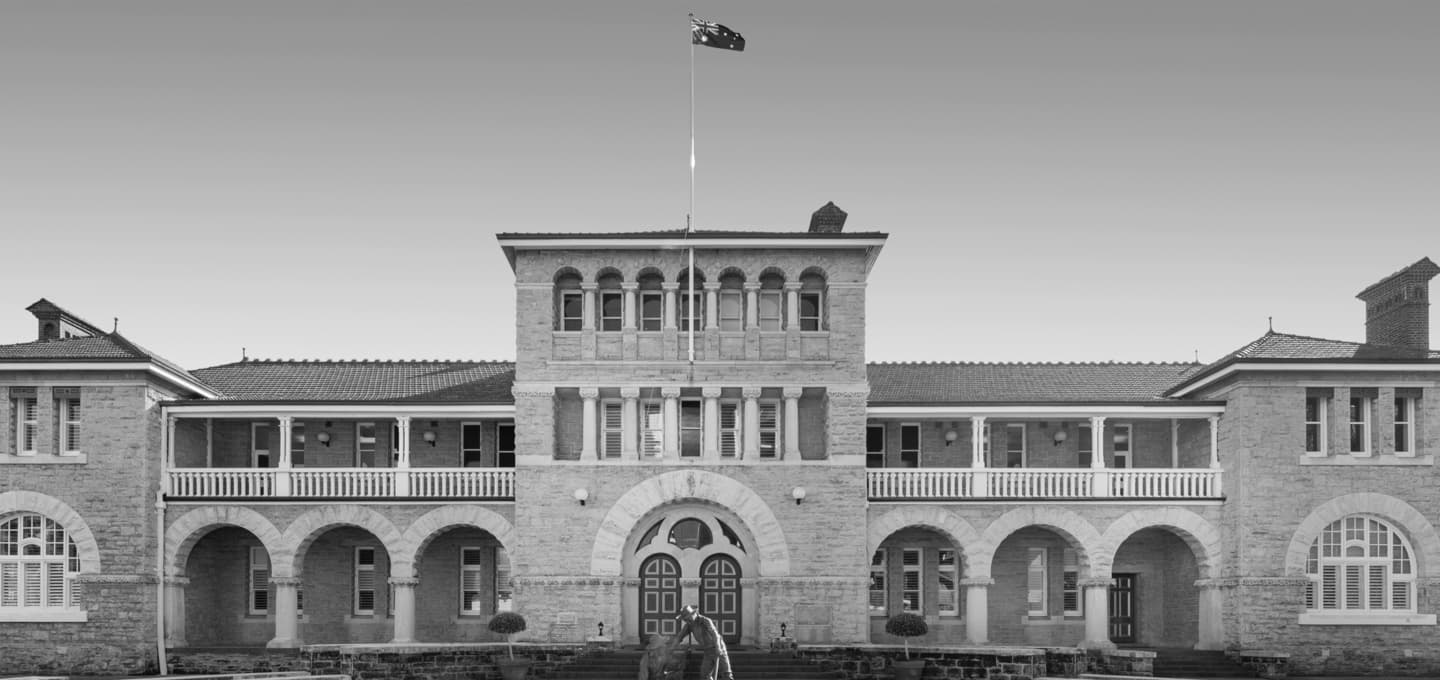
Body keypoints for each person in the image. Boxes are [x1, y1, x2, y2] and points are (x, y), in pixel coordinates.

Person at [671, 604, 733, 680]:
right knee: (704, 675)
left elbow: (715, 634)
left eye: (687, 618)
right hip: (708, 651)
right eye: (685, 619)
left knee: (726, 674)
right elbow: (679, 637)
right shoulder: (689, 625)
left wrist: (718, 648)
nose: (686, 620)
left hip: (719, 648)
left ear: (694, 614)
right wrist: (671, 648)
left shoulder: (705, 621)